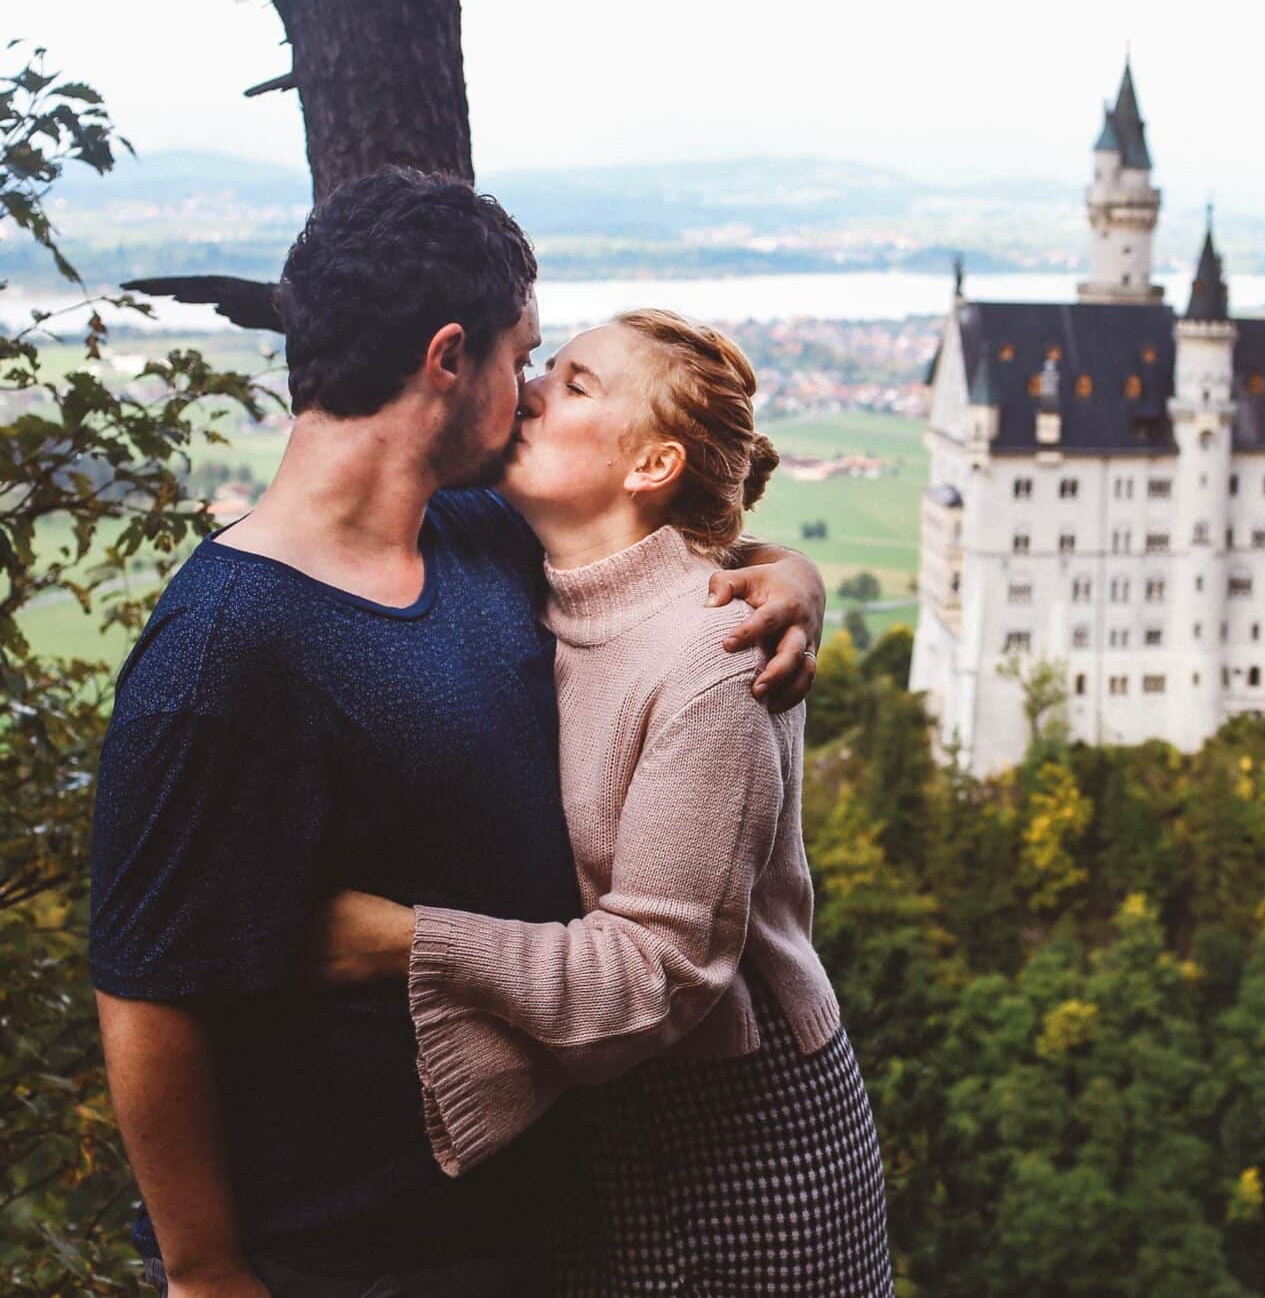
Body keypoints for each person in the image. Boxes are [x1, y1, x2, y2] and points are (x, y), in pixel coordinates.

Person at [89, 171, 825, 1298]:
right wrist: (203, 1270)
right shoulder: (222, 653)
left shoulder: (482, 534)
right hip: (354, 1249)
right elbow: (148, 987)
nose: (530, 387)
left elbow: (661, 560)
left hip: (545, 1211)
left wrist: (792, 579)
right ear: (447, 358)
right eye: (523, 354)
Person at [313, 309, 892, 1296]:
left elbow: (657, 974)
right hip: (609, 1126)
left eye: (575, 384)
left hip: (747, 1146)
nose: (532, 389)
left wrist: (401, 940)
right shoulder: (530, 576)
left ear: (649, 467)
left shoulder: (708, 662)